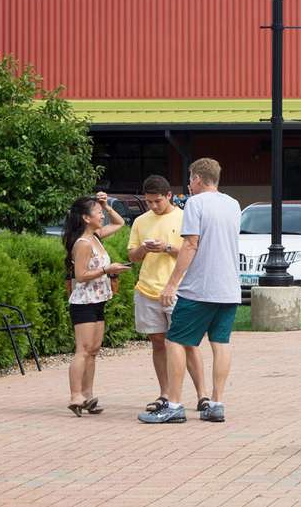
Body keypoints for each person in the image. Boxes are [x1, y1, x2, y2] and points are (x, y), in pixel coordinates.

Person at [138, 158, 241, 425]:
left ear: (197, 178)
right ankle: (216, 403)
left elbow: (191, 244)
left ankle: (173, 404)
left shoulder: (195, 204)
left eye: (190, 178)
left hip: (200, 289)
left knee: (175, 341)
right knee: (220, 343)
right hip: (229, 287)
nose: (189, 184)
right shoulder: (233, 204)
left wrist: (172, 284)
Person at [128, 175, 206, 414]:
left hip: (179, 290)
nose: (153, 206)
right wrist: (143, 248)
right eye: (149, 201)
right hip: (147, 289)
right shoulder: (141, 221)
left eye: (157, 201)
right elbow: (132, 255)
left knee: (187, 343)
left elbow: (195, 250)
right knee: (158, 343)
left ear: (169, 196)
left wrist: (168, 248)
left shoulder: (184, 217)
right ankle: (165, 393)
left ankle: (203, 395)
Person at [63, 196, 130, 416]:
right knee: (82, 350)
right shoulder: (82, 244)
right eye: (97, 211)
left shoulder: (96, 237)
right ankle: (75, 396)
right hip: (83, 303)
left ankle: (88, 395)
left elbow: (120, 223)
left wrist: (107, 206)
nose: (101, 215)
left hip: (98, 301)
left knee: (93, 351)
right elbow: (81, 276)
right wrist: (106, 270)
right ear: (85, 218)